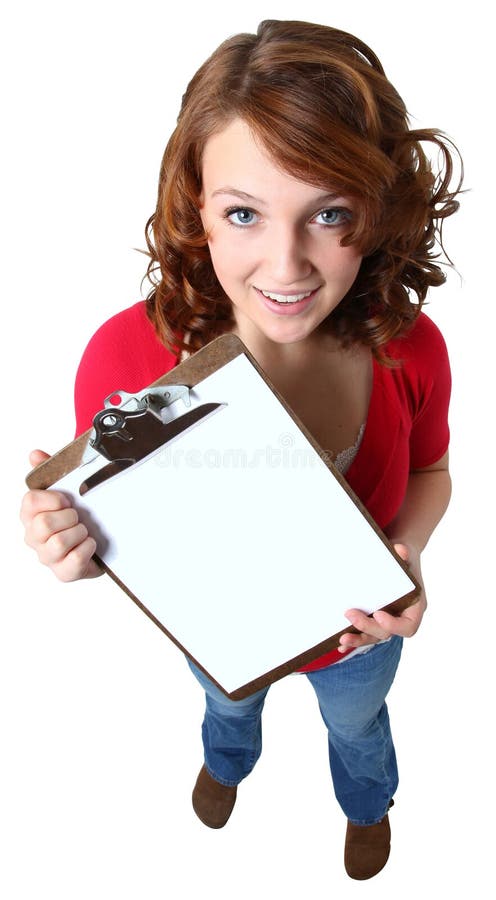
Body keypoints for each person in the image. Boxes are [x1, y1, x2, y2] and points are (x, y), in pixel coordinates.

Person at [20, 19, 461, 880]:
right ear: (197, 209)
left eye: (329, 213)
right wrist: (77, 553)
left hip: (355, 638)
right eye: (245, 213)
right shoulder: (125, 363)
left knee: (360, 726)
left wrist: (407, 567)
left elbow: (433, 473)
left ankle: (367, 805)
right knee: (227, 703)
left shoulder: (409, 346)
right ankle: (229, 762)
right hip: (220, 628)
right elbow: (124, 531)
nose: (286, 264)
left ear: (376, 210)